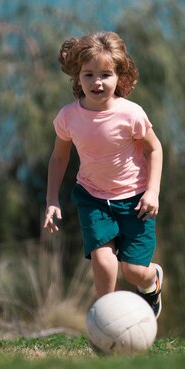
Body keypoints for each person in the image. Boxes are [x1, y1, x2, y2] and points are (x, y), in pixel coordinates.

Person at [43, 31, 164, 318]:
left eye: (106, 74)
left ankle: (153, 281)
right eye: (89, 75)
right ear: (77, 77)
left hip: (135, 199)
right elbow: (59, 159)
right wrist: (52, 200)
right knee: (103, 260)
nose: (97, 82)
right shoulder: (68, 117)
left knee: (133, 271)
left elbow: (155, 150)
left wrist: (153, 191)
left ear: (119, 77)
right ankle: (106, 316)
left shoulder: (131, 114)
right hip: (93, 197)